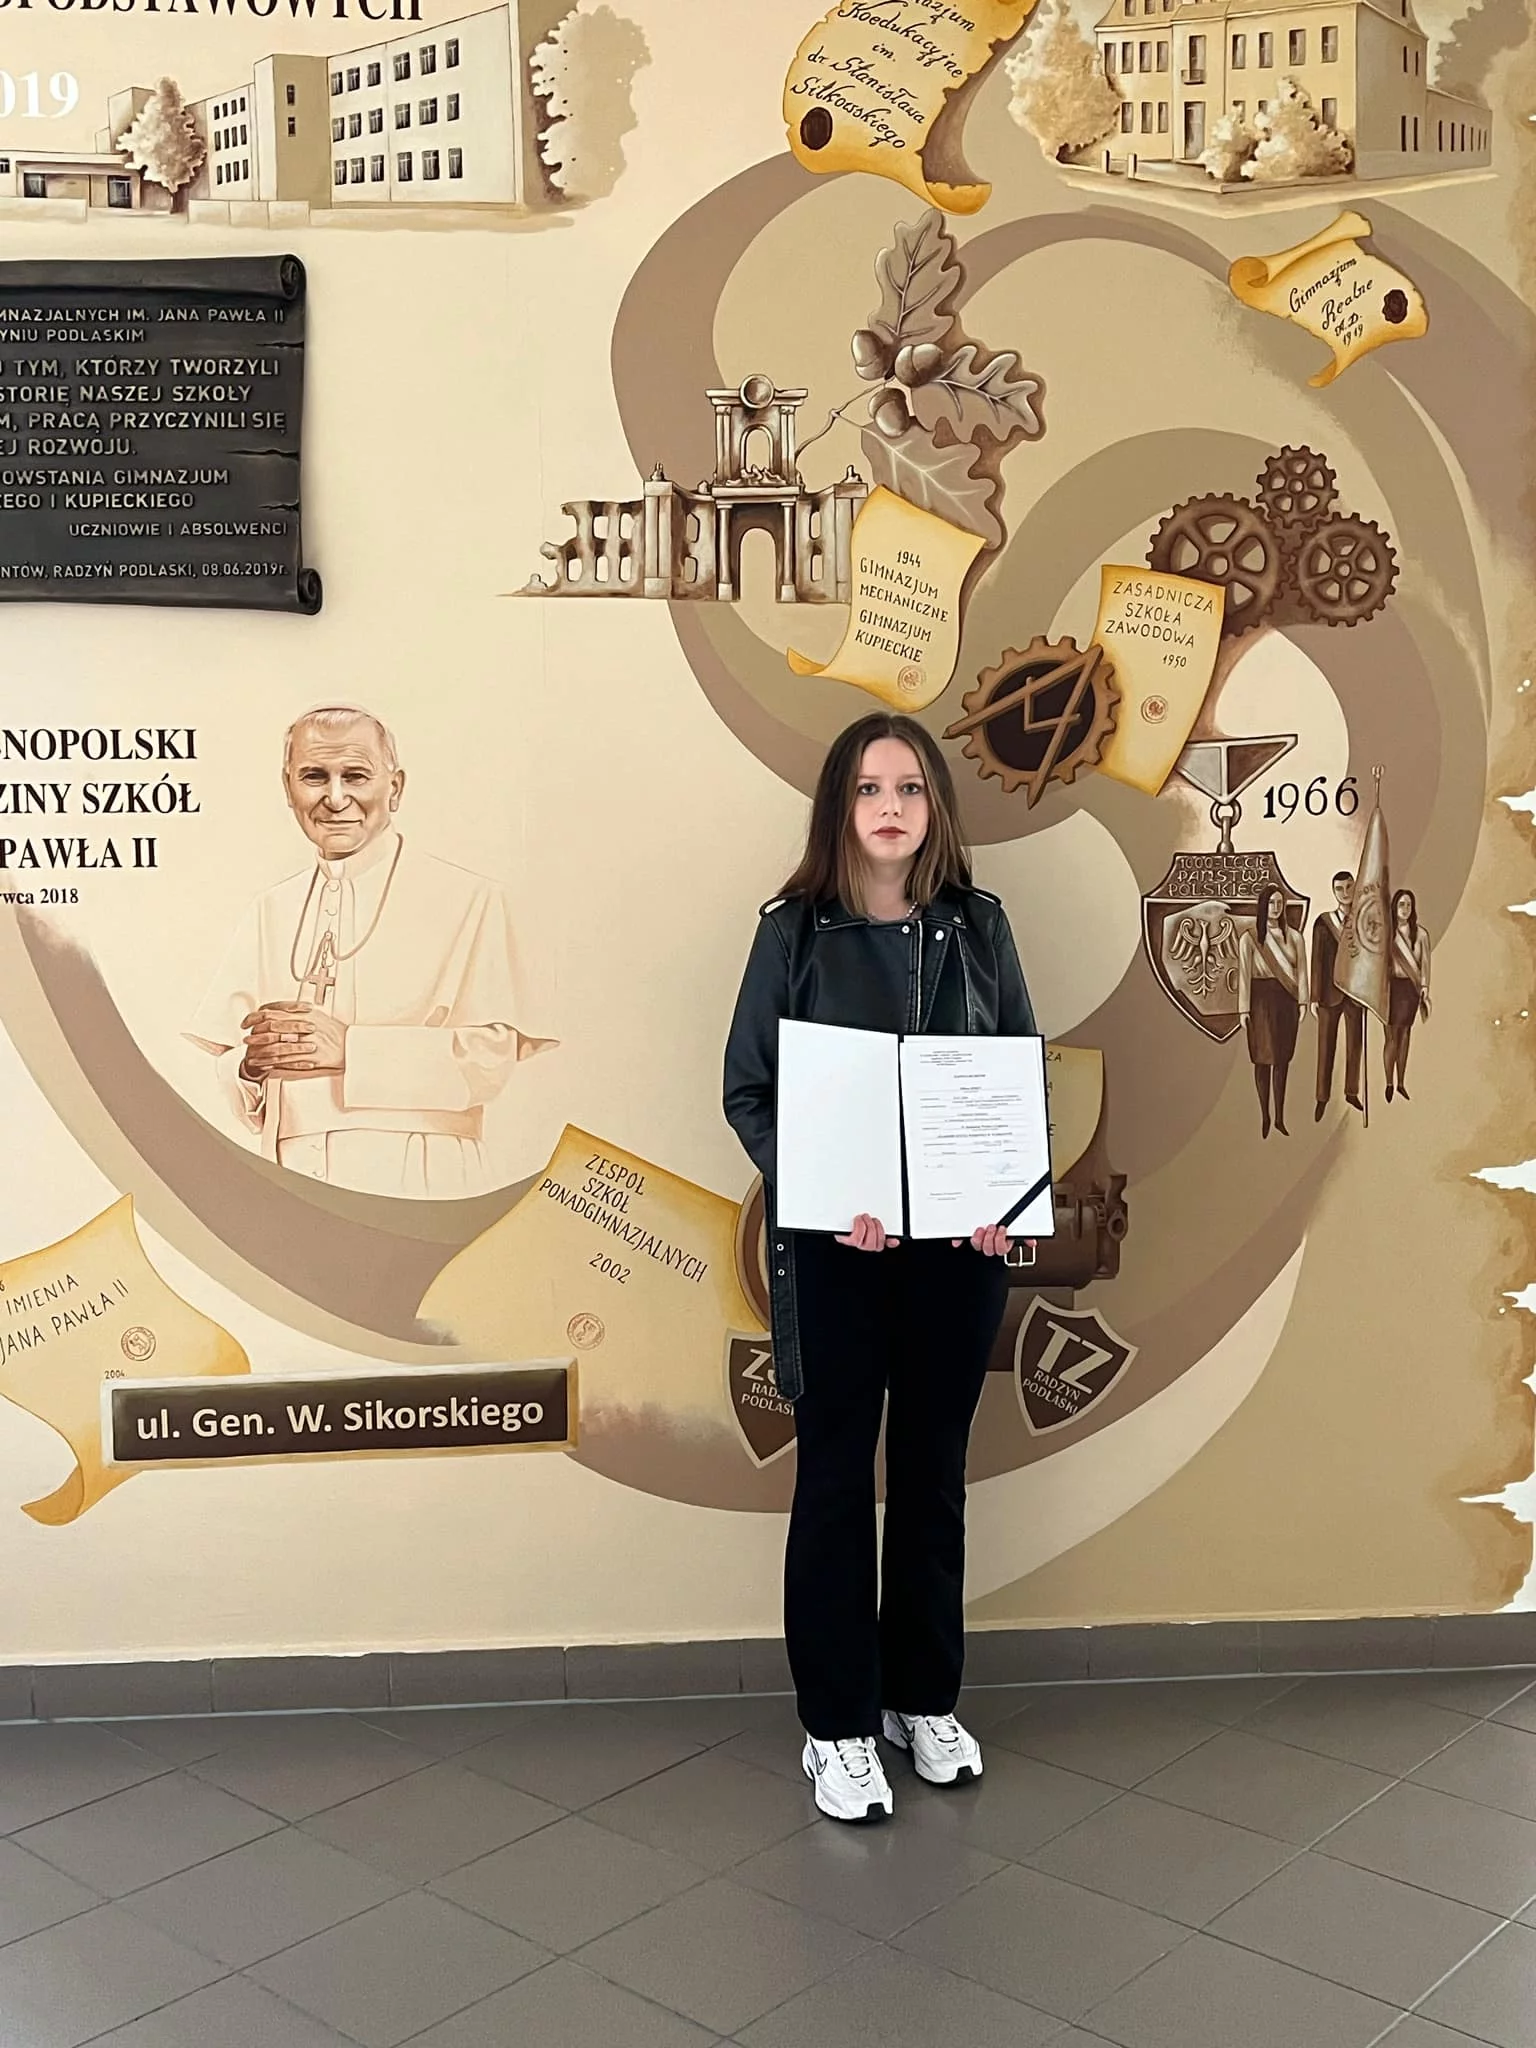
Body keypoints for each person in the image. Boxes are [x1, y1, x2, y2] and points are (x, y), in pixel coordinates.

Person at [722, 711, 1035, 1824]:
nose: (890, 807)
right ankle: (838, 1727)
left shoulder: (981, 927)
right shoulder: (792, 935)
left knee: (935, 1479)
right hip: (836, 1257)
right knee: (836, 1481)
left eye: (908, 787)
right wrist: (820, 1189)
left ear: (935, 805)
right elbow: (748, 1092)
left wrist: (1002, 1199)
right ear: (840, 808)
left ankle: (921, 1701)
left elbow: (1015, 1076)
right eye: (868, 788)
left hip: (958, 1255)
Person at [186, 705, 552, 1197]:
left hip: (421, 1175)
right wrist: (251, 1065)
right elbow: (233, 1068)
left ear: (394, 787)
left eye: (355, 776)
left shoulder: (472, 899)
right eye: (314, 777)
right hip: (290, 1178)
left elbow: (490, 1063)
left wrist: (349, 1049)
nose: (335, 798)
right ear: (288, 788)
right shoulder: (270, 908)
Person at [1237, 885, 1308, 1139]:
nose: (1276, 908)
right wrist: (1244, 1008)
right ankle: (1264, 1115)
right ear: (1263, 906)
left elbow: (1302, 972)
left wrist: (1303, 1002)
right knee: (1261, 1059)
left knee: (1281, 1059)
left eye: (1280, 903)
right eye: (1272, 903)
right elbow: (1244, 974)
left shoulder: (1295, 938)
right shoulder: (1250, 938)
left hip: (1286, 1002)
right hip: (1260, 1002)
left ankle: (1279, 1117)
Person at [1310, 870, 1364, 1120]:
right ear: (1333, 892)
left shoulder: (1363, 922)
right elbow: (1317, 961)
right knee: (1325, 1047)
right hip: (1328, 995)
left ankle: (1352, 1092)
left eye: (1349, 887)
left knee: (1355, 1045)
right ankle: (1322, 1097)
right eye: (1340, 888)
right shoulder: (1323, 922)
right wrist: (1314, 997)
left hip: (1355, 994)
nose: (1345, 893)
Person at [1384, 887, 1431, 1101]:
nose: (1405, 909)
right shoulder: (1387, 934)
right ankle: (1389, 1082)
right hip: (1390, 989)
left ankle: (1401, 1082)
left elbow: (1425, 964)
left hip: (1410, 989)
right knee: (1391, 1037)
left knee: (1405, 1036)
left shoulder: (1420, 935)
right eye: (1401, 904)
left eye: (1409, 905)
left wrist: (1424, 987)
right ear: (1394, 907)